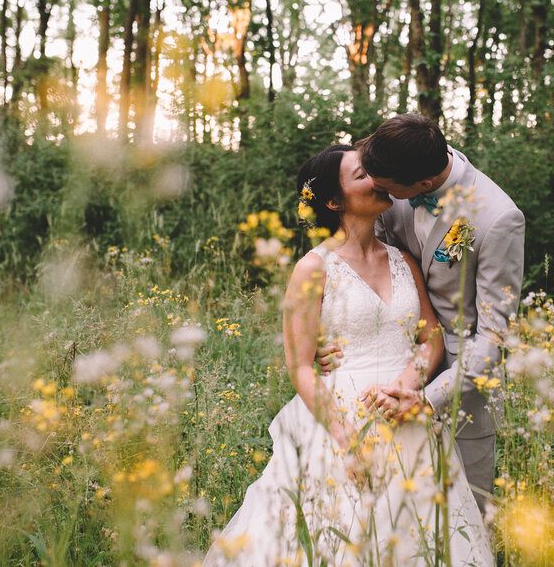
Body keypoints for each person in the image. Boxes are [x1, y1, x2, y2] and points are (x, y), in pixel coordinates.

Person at [203, 145, 492, 566]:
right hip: (340, 422)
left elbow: (430, 339)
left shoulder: (404, 261)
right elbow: (301, 365)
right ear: (334, 201)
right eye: (362, 175)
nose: (376, 179)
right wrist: (348, 443)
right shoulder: (312, 269)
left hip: (406, 414)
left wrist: (405, 388)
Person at [317, 114, 525, 513]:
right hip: (385, 378)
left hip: (461, 395)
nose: (377, 191)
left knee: (467, 526)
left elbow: (494, 336)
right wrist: (322, 336)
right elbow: (360, 261)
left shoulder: (497, 219)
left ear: (423, 186)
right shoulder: (393, 174)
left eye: (385, 188)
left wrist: (427, 399)